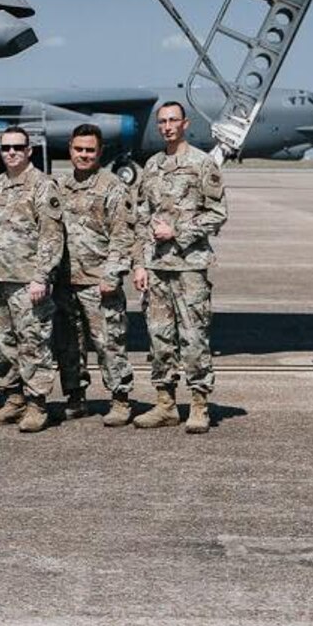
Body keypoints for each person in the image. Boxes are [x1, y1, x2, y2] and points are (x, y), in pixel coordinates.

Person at [130, 101, 228, 434]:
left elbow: (218, 213)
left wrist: (178, 232)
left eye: (173, 120)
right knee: (159, 337)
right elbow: (142, 218)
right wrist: (140, 264)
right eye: (162, 122)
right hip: (157, 267)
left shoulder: (203, 164)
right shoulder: (152, 165)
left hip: (189, 266)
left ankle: (199, 405)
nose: (167, 126)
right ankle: (165, 404)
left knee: (194, 335)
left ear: (185, 124)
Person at [0, 129, 66, 434]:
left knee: (33, 343)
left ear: (29, 151)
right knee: (4, 345)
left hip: (28, 282)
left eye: (17, 147)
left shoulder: (42, 185)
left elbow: (51, 236)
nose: (11, 152)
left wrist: (42, 276)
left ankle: (37, 404)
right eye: (6, 148)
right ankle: (13, 398)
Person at [53, 124, 138, 424]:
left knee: (109, 343)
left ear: (100, 152)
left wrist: (111, 276)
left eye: (90, 150)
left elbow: (123, 235)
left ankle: (120, 399)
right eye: (79, 149)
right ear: (70, 150)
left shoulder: (113, 187)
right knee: (68, 344)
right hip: (65, 282)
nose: (84, 155)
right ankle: (76, 397)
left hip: (99, 283)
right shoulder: (60, 187)